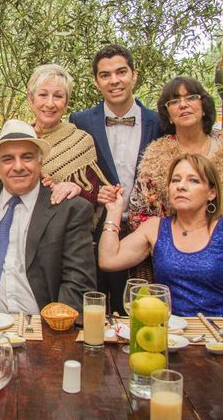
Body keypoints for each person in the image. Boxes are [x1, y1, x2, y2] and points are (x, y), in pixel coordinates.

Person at [127, 76, 223, 280]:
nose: (183, 105)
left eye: (190, 97)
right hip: (171, 264)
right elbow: (139, 213)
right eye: (174, 101)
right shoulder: (155, 154)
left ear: (204, 105)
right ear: (169, 115)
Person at [0, 119, 97, 314]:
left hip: (39, 326)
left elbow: (78, 284)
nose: (18, 166)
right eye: (8, 159)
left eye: (27, 157)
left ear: (40, 162)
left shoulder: (69, 210)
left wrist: (53, 334)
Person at [98, 153, 223, 320]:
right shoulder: (155, 227)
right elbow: (108, 260)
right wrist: (114, 212)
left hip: (219, 338)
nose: (181, 186)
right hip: (170, 335)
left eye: (193, 180)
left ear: (211, 193)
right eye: (175, 180)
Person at [69, 44, 161, 313]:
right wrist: (92, 191)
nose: (114, 81)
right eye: (105, 75)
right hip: (94, 231)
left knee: (137, 311)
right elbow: (73, 170)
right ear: (97, 81)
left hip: (141, 232)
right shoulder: (81, 121)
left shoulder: (158, 122)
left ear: (134, 74)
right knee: (91, 311)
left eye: (121, 72)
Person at [27, 64, 109, 207]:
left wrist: (75, 189)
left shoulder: (81, 142)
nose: (50, 103)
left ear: (66, 103)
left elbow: (92, 196)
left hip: (63, 225)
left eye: (58, 96)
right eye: (43, 95)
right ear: (31, 99)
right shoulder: (17, 138)